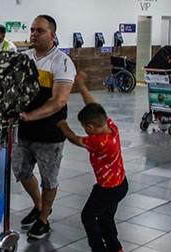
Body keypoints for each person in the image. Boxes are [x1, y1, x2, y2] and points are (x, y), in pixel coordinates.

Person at [13, 14, 76, 239]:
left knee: (49, 178)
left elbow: (58, 100)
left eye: (40, 31)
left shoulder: (62, 62)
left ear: (53, 34)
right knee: (20, 169)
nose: (34, 34)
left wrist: (30, 116)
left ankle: (43, 219)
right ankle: (40, 206)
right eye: (32, 30)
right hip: (25, 129)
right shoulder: (25, 58)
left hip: (50, 131)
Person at [57, 71, 128, 252]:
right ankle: (115, 247)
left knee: (88, 217)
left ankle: (98, 248)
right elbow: (94, 106)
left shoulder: (98, 141)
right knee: (106, 217)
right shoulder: (111, 127)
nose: (86, 131)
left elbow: (74, 139)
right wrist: (81, 86)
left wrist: (63, 125)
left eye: (85, 128)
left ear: (90, 127)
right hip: (121, 185)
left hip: (107, 189)